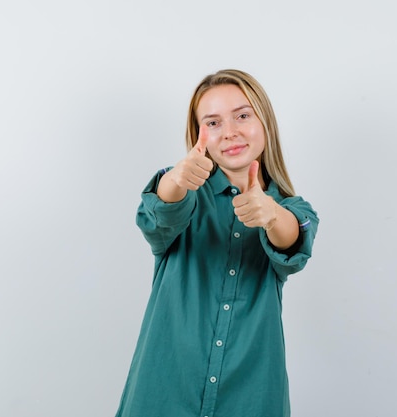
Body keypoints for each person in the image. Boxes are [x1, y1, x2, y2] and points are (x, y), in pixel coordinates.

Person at [115, 69, 319, 417]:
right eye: (213, 123)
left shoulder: (290, 209)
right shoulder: (187, 196)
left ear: (264, 120)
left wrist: (269, 213)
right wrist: (176, 179)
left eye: (242, 115)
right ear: (198, 135)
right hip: (163, 392)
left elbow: (292, 239)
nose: (230, 132)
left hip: (252, 396)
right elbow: (161, 210)